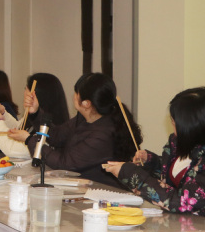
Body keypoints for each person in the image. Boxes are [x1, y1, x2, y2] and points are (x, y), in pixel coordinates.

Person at [8, 73, 141, 186]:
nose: (74, 95)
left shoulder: (102, 135)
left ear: (86, 103)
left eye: (76, 93)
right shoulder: (85, 117)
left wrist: (29, 140)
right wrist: (36, 112)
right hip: (82, 186)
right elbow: (56, 136)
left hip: (101, 192)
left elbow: (64, 163)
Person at [104, 87, 205, 214]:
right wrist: (150, 161)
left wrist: (132, 175)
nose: (173, 127)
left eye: (175, 123)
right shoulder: (177, 143)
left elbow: (181, 202)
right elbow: (177, 174)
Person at [0, 73, 69, 159]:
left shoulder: (51, 127)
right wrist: (2, 113)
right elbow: (18, 128)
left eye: (26, 89)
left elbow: (12, 150)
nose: (24, 93)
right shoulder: (34, 116)